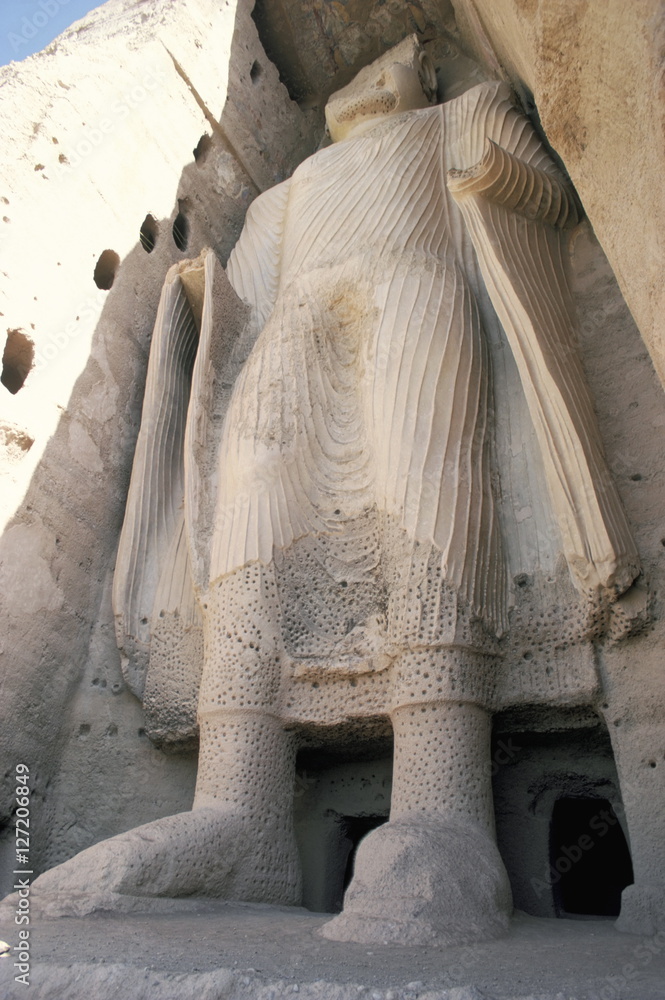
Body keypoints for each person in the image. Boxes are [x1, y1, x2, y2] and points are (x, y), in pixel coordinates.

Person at [29, 35, 639, 944]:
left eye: (394, 64)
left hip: (417, 293)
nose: (369, 78)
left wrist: (487, 170)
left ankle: (443, 809)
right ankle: (236, 812)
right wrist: (202, 299)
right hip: (291, 329)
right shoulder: (281, 196)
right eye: (354, 74)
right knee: (250, 508)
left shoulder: (457, 115)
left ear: (427, 76)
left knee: (429, 491)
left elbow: (549, 192)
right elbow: (247, 295)